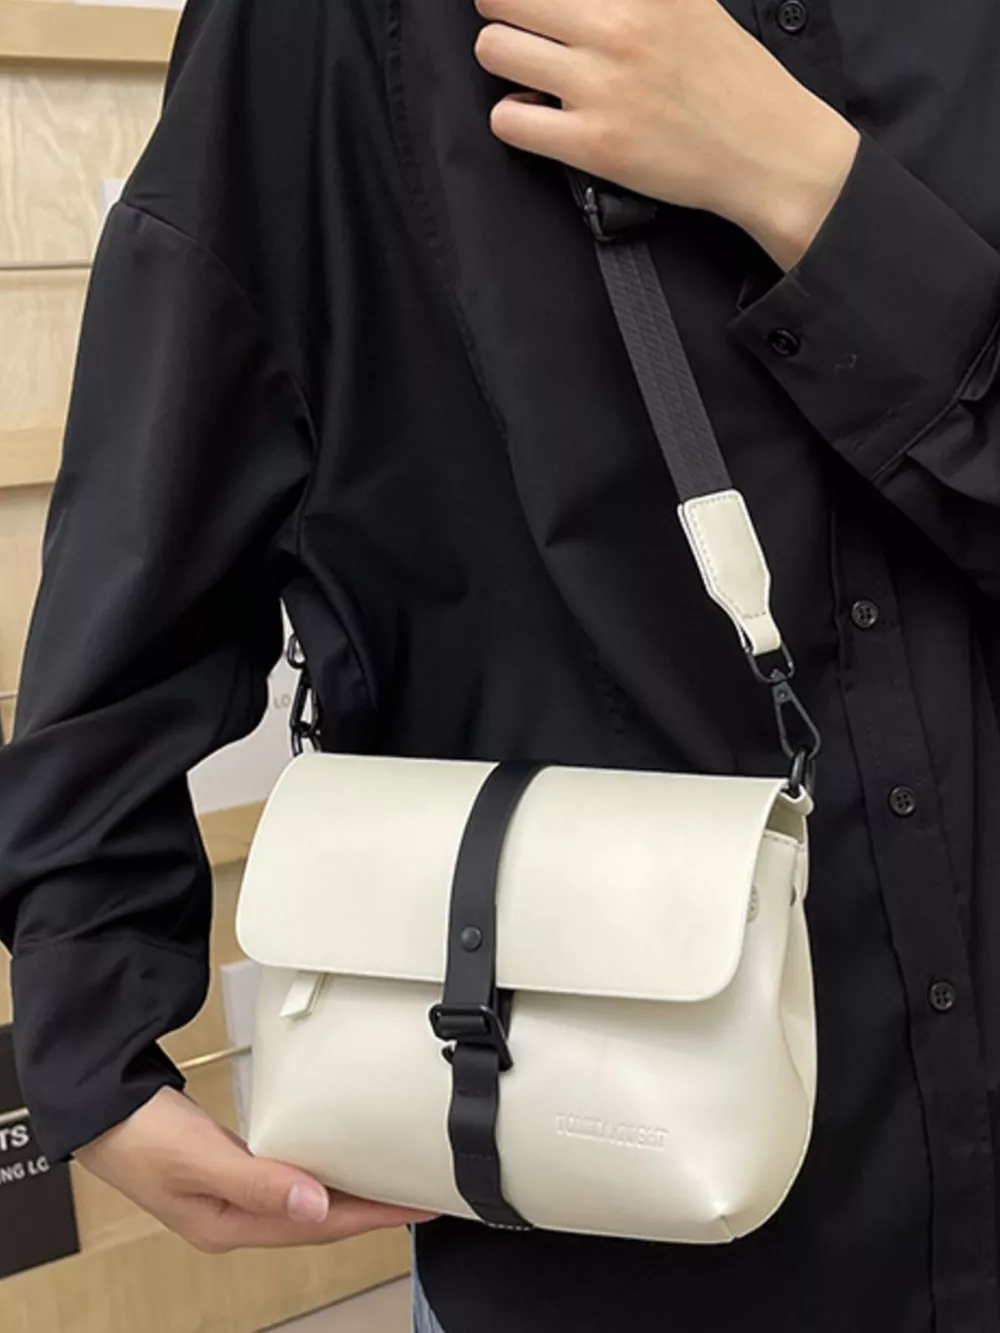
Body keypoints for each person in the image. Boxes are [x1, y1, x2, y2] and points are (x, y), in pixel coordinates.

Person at [0, 0, 998, 1329]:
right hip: (608, 1214)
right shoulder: (332, 31)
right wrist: (91, 1021)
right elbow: (158, 524)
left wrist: (803, 186)